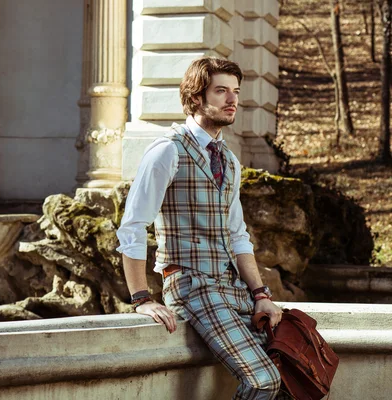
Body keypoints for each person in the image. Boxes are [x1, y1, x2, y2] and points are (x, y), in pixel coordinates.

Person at [116, 57, 284, 400]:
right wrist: (141, 299)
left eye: (235, 92)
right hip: (191, 285)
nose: (232, 99)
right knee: (263, 380)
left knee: (291, 372)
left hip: (230, 286)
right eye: (221, 91)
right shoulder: (167, 150)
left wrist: (261, 295)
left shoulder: (230, 161)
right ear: (196, 98)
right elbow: (133, 225)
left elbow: (238, 236)